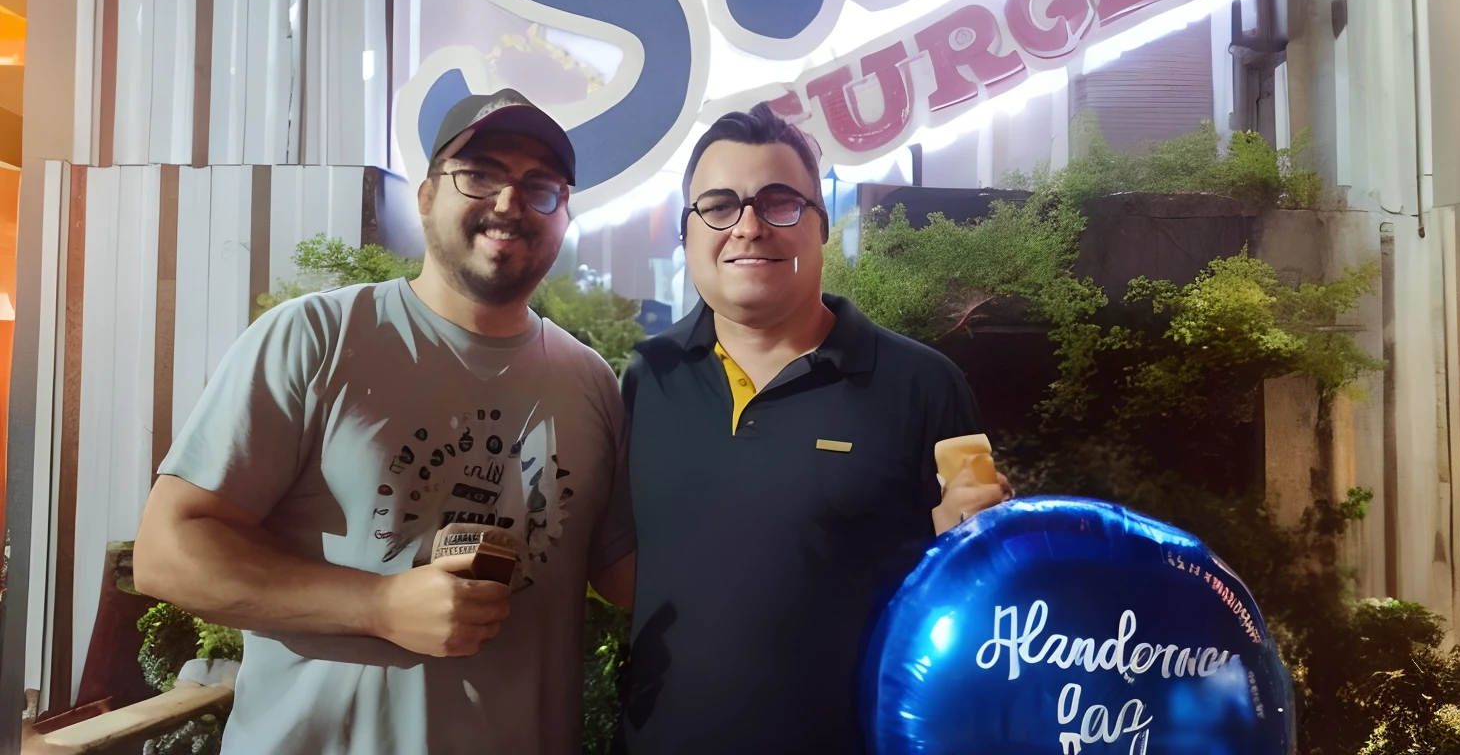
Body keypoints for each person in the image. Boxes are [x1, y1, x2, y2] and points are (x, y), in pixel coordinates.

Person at [133, 89, 636, 755]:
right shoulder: (316, 338)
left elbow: (627, 575)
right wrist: (378, 605)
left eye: (539, 186)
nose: (510, 202)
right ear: (426, 196)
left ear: (564, 214)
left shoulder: (590, 383)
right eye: (479, 174)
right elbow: (169, 554)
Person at [616, 103, 1010, 754]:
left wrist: (973, 542)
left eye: (779, 203)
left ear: (820, 224)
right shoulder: (647, 378)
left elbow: (978, 582)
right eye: (718, 206)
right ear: (686, 234)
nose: (747, 227)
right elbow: (617, 559)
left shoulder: (923, 385)